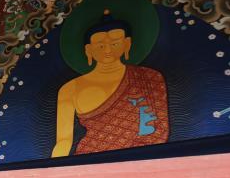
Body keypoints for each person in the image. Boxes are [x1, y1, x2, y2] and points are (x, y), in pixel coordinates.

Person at [52, 10, 169, 157]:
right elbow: (63, 141)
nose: (107, 50)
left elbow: (158, 128)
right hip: (89, 157)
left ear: (127, 44)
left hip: (138, 158)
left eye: (115, 43)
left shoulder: (148, 77)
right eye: (100, 45)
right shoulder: (70, 88)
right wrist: (54, 167)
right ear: (89, 50)